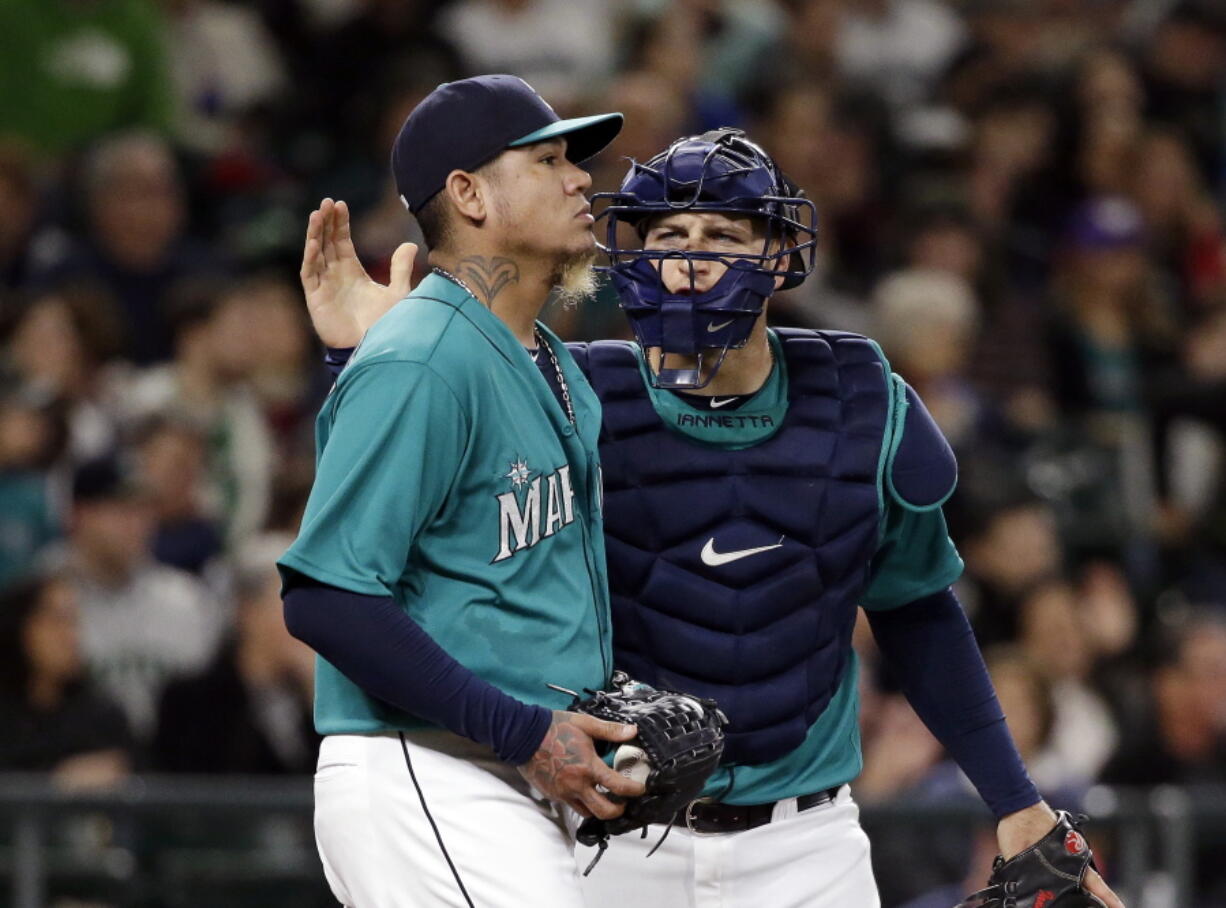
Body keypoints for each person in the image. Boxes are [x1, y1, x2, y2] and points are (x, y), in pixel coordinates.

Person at [306, 127, 1124, 907]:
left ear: (777, 256)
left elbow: (918, 608)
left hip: (808, 843)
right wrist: (361, 358)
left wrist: (1015, 799)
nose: (690, 262)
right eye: (669, 237)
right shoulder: (561, 390)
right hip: (605, 828)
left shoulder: (861, 398)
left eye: (724, 237)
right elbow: (407, 518)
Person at [277, 75, 645, 908]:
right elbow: (325, 599)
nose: (581, 178)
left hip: (497, 771)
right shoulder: (425, 357)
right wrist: (523, 732)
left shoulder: (541, 357)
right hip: (428, 765)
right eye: (547, 160)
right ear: (469, 193)